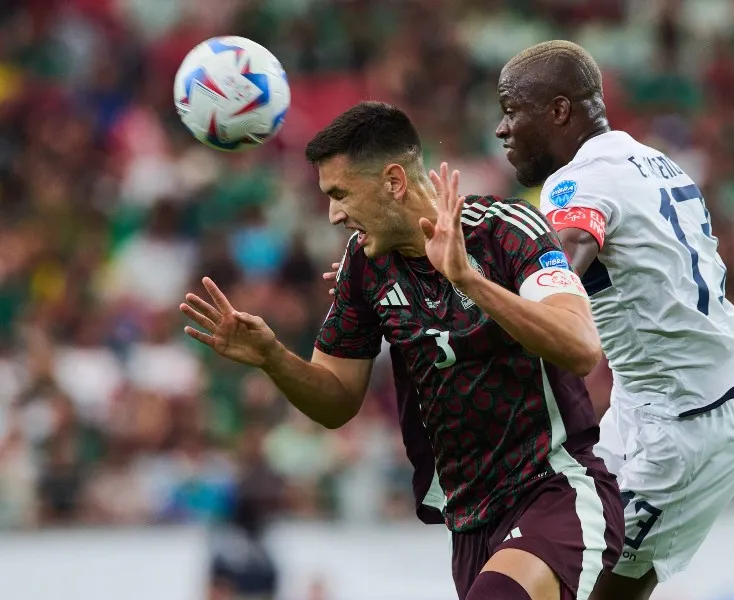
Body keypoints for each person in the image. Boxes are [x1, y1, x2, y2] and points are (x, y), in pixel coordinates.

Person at [181, 102, 624, 600]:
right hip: (469, 519)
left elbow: (582, 347)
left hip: (554, 488)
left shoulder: (506, 229)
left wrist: (468, 280)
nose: (333, 214)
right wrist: (271, 356)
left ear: (393, 181)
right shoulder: (363, 266)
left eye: (340, 193)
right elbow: (337, 400)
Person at [495, 40, 734, 600]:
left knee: (600, 590)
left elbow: (560, 270)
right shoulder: (652, 160)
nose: (502, 129)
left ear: (560, 110)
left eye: (511, 109)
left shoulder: (579, 180)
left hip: (684, 426)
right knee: (542, 559)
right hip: (648, 407)